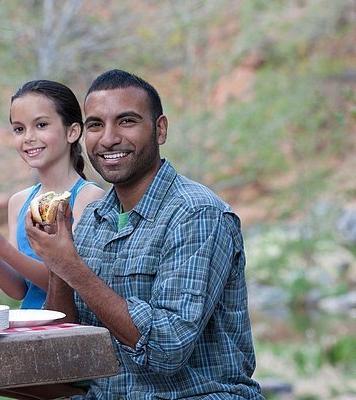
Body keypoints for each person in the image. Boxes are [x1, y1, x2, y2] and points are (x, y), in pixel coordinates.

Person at [26, 70, 264, 399]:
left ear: (160, 129)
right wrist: (56, 262)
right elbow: (65, 347)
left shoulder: (196, 214)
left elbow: (168, 348)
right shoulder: (95, 216)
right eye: (96, 125)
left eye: (126, 121)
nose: (108, 138)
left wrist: (71, 266)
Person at [0, 79, 104, 310]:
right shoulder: (19, 201)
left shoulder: (88, 197)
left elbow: (73, 285)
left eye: (41, 125)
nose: (28, 137)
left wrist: (1, 248)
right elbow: (19, 289)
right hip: (29, 332)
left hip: (71, 334)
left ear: (72, 132)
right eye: (19, 129)